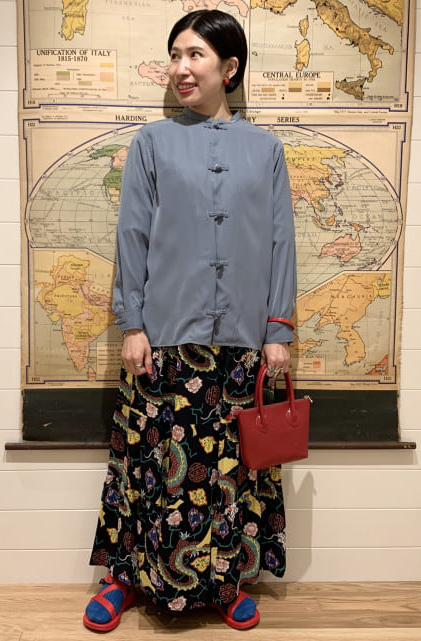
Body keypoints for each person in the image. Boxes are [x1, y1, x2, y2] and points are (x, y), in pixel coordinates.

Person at [83, 9, 296, 632]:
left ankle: (227, 582)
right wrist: (132, 324)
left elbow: (282, 242)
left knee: (232, 471)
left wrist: (278, 330)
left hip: (242, 343)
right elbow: (132, 236)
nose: (180, 67)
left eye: (195, 55)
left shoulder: (267, 150)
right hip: (165, 337)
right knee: (148, 462)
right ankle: (125, 577)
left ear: (229, 68)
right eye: (175, 54)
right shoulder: (151, 143)